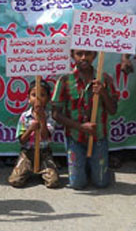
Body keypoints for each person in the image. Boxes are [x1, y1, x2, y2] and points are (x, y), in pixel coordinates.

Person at [52, 50, 118, 190]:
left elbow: (113, 110)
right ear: (72, 55)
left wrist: (103, 93)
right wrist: (81, 127)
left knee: (101, 183)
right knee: (77, 184)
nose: (83, 58)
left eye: (88, 54)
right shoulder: (64, 80)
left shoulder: (104, 79)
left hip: (98, 137)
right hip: (75, 138)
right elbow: (56, 115)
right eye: (79, 54)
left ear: (94, 55)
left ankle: (99, 168)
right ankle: (88, 166)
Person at [8, 80, 60, 189]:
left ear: (48, 99)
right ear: (28, 98)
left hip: (44, 153)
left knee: (53, 182)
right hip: (27, 153)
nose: (38, 99)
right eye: (34, 95)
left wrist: (42, 120)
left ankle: (44, 169)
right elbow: (22, 140)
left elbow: (46, 136)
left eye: (42, 95)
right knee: (15, 181)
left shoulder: (50, 116)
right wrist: (30, 129)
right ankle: (27, 169)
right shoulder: (24, 117)